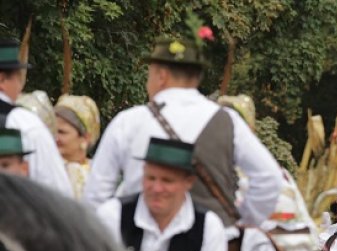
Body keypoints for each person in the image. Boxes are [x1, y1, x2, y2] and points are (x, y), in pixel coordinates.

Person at [85, 34, 285, 228]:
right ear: (196, 77)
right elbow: (270, 178)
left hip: (137, 247)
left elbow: (96, 194)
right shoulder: (227, 121)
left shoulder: (129, 121)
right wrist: (240, 223)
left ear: (161, 76)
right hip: (216, 245)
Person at [96, 137, 227, 251]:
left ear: (189, 182)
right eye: (150, 178)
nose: (156, 188)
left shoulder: (208, 228)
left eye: (167, 181)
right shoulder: (112, 215)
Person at [0, 39, 72, 196]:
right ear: (3, 80)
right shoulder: (25, 123)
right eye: (18, 78)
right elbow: (58, 193)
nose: (20, 86)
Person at [54, 94, 100, 199]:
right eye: (53, 131)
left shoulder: (97, 176)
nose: (55, 138)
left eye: (62, 132)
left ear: (85, 138)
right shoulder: (46, 169)